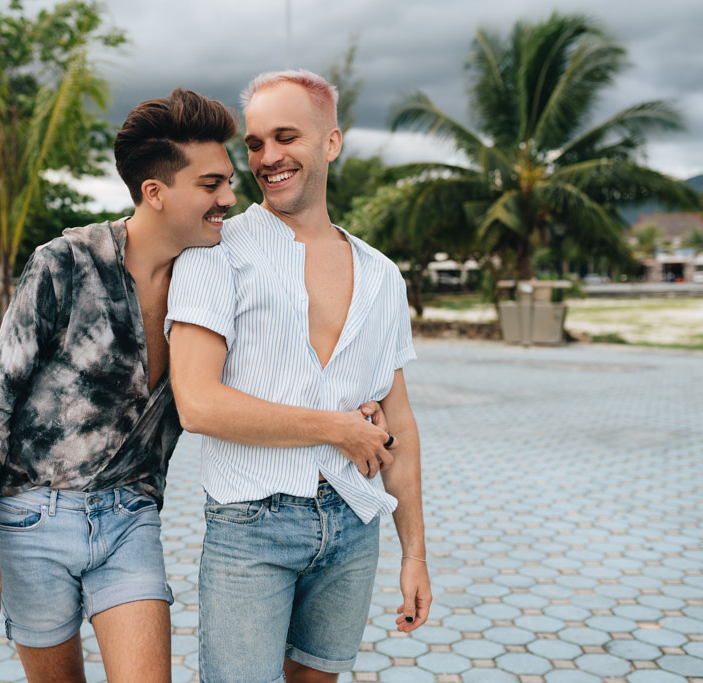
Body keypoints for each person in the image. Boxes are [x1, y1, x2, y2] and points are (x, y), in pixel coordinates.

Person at [0, 87, 390, 683]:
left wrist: (354, 411)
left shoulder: (205, 273)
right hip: (32, 518)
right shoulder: (66, 262)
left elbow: (269, 361)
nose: (230, 199)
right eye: (211, 185)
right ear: (155, 192)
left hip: (131, 517)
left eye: (229, 182)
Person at [166, 70, 432, 683]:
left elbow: (401, 422)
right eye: (255, 143)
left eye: (286, 136)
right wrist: (339, 429)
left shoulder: (382, 275)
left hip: (353, 523)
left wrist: (414, 553)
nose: (267, 158)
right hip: (250, 526)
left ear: (332, 143)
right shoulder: (215, 251)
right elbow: (199, 404)